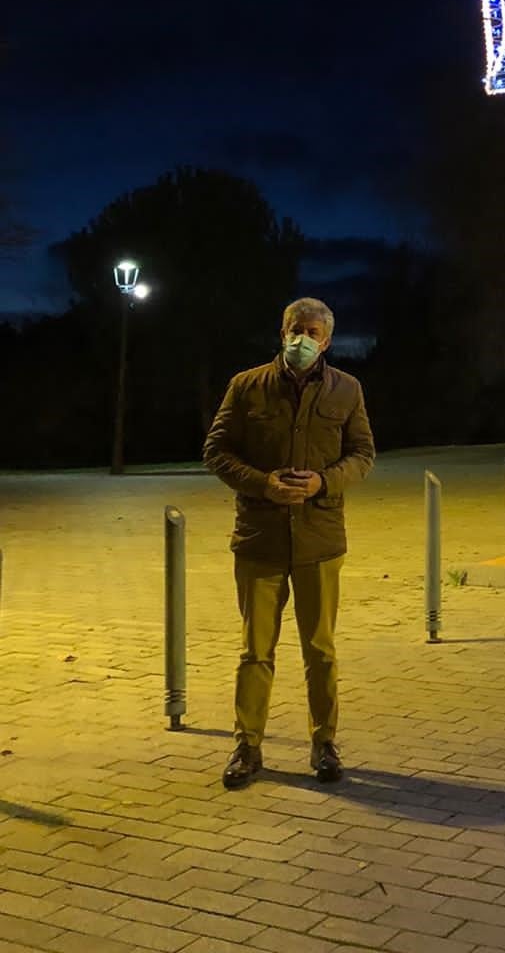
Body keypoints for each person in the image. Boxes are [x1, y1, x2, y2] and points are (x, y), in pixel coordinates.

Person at [203, 296, 375, 789]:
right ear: (282, 333)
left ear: (328, 340)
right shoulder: (247, 386)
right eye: (296, 329)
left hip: (320, 540)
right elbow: (216, 451)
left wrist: (325, 482)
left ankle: (324, 743)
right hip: (260, 540)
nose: (304, 338)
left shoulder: (347, 389)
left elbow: (363, 454)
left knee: (320, 650)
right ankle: (247, 746)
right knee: (255, 650)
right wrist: (262, 483)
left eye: (314, 332)